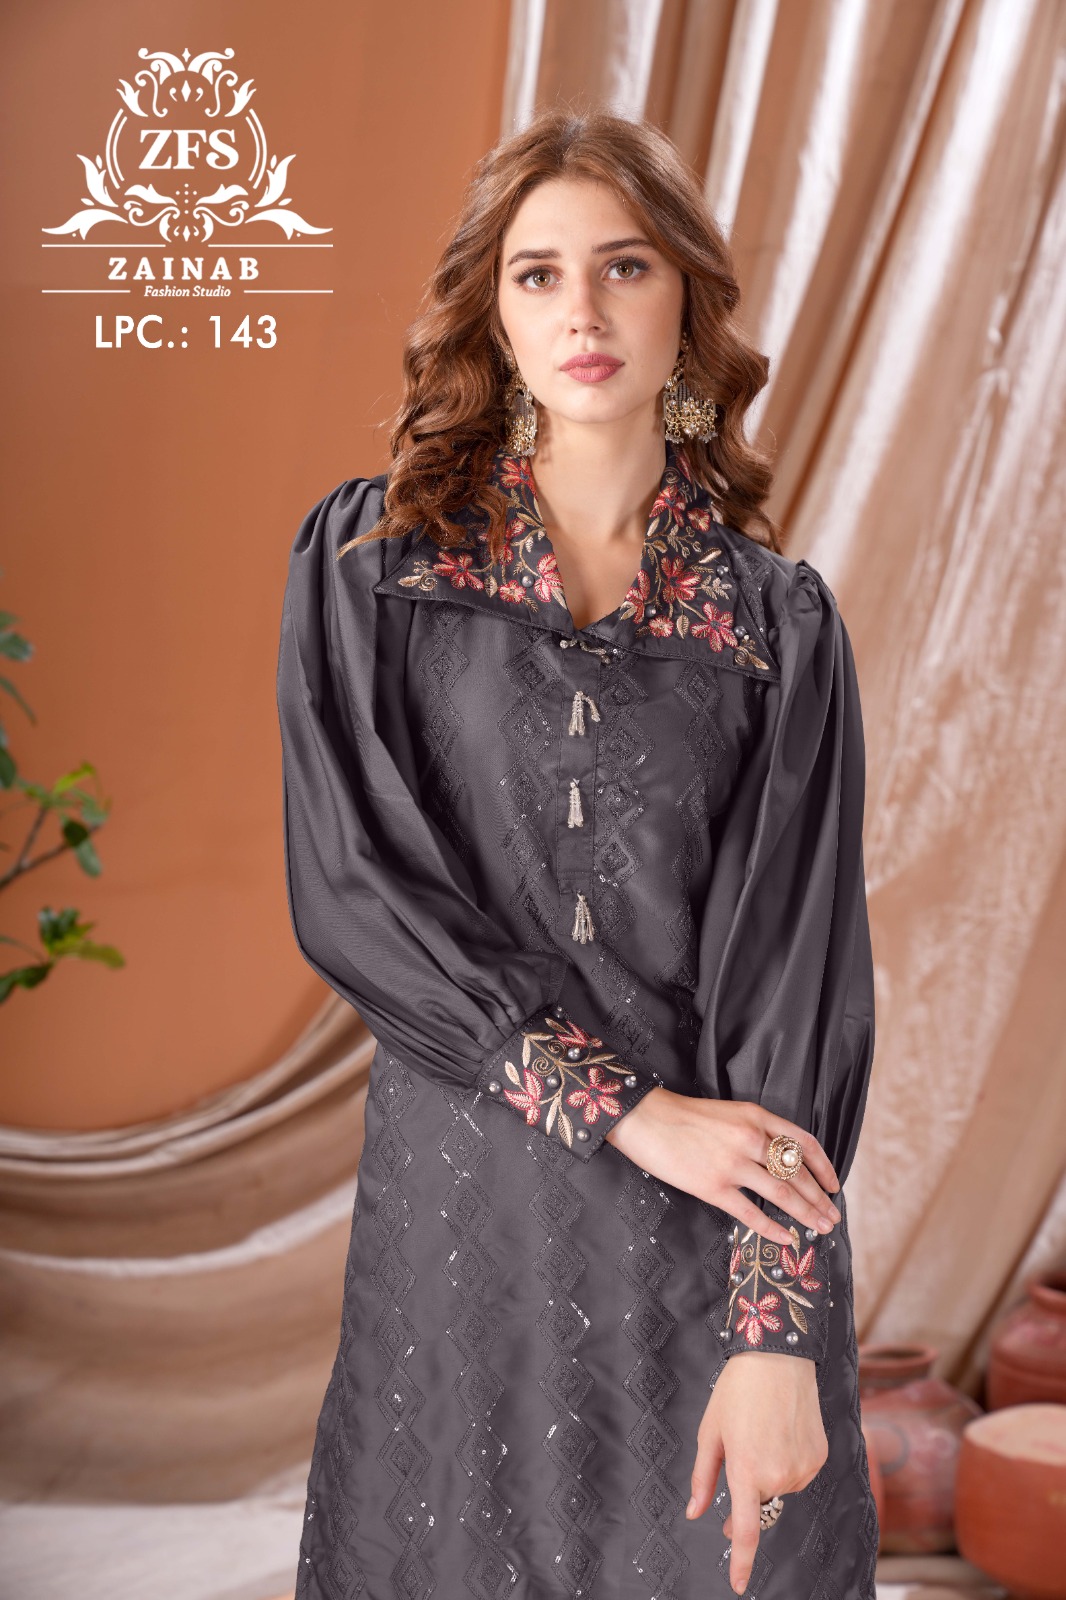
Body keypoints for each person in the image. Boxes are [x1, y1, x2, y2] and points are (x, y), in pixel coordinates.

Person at [276, 106, 878, 1600]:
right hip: (464, 1217)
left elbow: (797, 995)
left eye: (623, 267)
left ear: (687, 301)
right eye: (537, 274)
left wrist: (775, 1333)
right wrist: (626, 1111)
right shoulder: (377, 570)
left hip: (711, 1229)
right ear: (493, 311)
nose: (583, 313)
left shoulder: (774, 625)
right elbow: (354, 899)